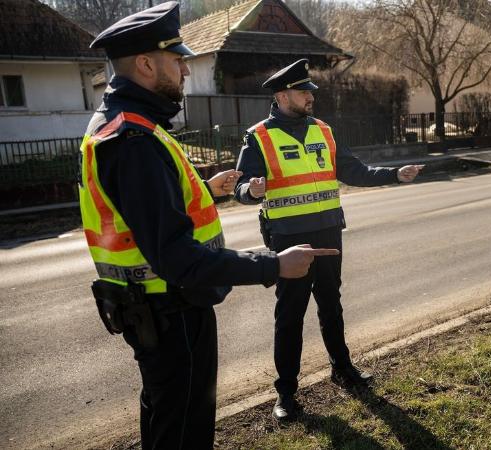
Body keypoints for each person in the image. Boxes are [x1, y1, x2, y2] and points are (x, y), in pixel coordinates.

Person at [79, 3, 338, 448]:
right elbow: (177, 256)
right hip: (172, 313)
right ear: (145, 64)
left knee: (166, 421)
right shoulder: (133, 139)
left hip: (158, 310)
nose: (185, 70)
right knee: (184, 433)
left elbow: (142, 208)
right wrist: (273, 265)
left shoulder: (122, 125)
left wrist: (205, 187)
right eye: (177, 60)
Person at [233, 58, 423, 421]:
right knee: (290, 315)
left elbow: (354, 171)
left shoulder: (324, 130)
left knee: (331, 305)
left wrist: (395, 175)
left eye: (310, 91)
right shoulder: (258, 136)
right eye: (303, 92)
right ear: (282, 95)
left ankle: (343, 368)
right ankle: (286, 393)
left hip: (328, 231)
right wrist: (251, 191)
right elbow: (241, 186)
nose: (311, 97)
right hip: (289, 240)